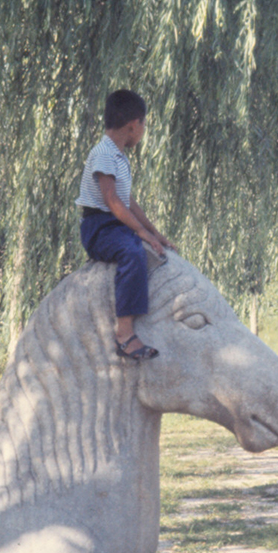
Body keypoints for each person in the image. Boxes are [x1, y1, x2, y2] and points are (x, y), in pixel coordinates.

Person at [75, 89, 176, 360]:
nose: (144, 131)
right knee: (132, 252)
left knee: (148, 248)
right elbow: (112, 200)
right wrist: (140, 232)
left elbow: (127, 202)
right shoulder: (104, 153)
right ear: (133, 125)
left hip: (115, 223)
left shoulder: (118, 156)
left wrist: (154, 233)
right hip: (99, 227)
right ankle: (124, 332)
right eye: (144, 125)